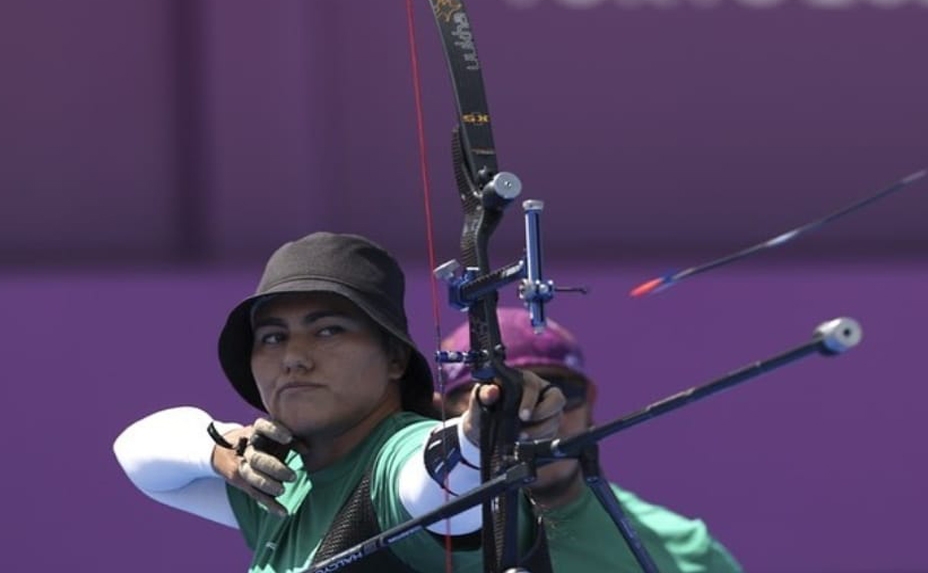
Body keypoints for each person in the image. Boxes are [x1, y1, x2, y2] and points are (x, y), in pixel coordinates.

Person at [112, 232, 566, 573]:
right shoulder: (280, 483)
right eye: (272, 337)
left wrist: (477, 435)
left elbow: (428, 482)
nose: (293, 358)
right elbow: (137, 454)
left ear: (393, 357)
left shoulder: (394, 456)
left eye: (328, 330)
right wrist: (223, 452)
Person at [439, 307, 745, 573]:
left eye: (558, 393)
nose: (534, 418)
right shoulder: (410, 541)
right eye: (503, 400)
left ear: (590, 403)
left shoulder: (688, 554)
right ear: (444, 413)